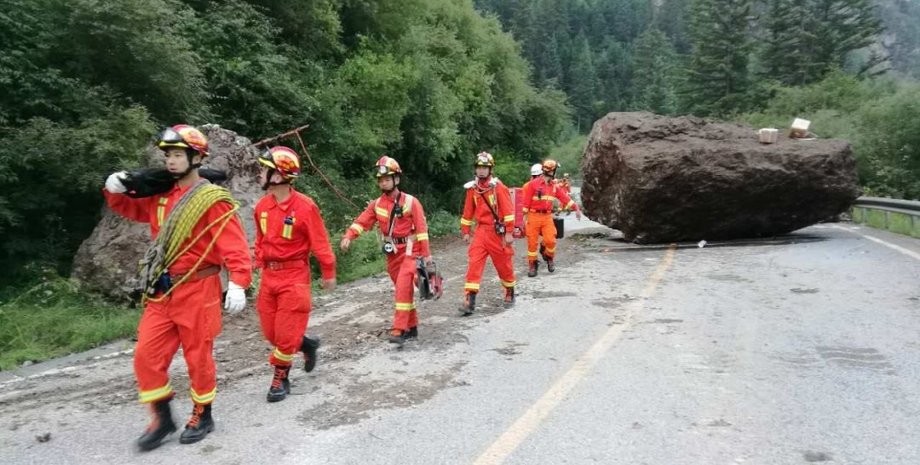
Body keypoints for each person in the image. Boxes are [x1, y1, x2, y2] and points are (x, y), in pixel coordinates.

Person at [103, 124, 252, 450]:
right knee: (146, 356)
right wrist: (113, 188)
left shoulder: (212, 200)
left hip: (198, 290)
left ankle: (203, 413)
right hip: (162, 290)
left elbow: (235, 247)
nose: (170, 160)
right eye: (167, 154)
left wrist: (239, 283)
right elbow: (128, 207)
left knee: (199, 357)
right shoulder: (160, 196)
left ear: (197, 157)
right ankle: (162, 418)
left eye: (177, 154)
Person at [253, 146, 336, 403]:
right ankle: (306, 344)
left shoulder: (305, 207)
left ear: (278, 175)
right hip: (269, 277)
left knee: (286, 333)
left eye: (264, 169)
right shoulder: (262, 206)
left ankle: (280, 378)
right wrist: (254, 264)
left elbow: (320, 242)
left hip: (295, 276)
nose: (260, 173)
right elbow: (260, 240)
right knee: (272, 333)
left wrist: (328, 271)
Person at [339, 156, 433, 345]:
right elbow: (362, 221)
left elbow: (422, 231)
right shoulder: (376, 205)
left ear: (396, 179)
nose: (384, 182)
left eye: (387, 179)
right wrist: (348, 236)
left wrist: (427, 255)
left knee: (403, 286)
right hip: (392, 253)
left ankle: (399, 329)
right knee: (402, 288)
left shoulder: (411, 202)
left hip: (409, 249)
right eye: (381, 180)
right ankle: (412, 327)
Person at [458, 152, 516, 315]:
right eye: (479, 168)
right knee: (474, 264)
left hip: (497, 233)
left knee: (503, 265)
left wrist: (509, 232)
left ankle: (509, 290)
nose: (481, 171)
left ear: (490, 169)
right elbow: (468, 211)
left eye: (485, 168)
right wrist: (465, 231)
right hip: (481, 232)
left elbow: (508, 211)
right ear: (475, 170)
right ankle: (469, 301)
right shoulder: (473, 189)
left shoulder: (499, 188)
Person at [521, 159, 581, 277]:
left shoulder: (554, 186)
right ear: (550, 171)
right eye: (555, 170)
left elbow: (565, 199)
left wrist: (576, 208)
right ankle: (532, 265)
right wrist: (522, 219)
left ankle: (549, 257)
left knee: (551, 240)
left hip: (547, 216)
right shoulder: (533, 185)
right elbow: (526, 203)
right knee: (532, 243)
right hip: (533, 216)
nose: (556, 173)